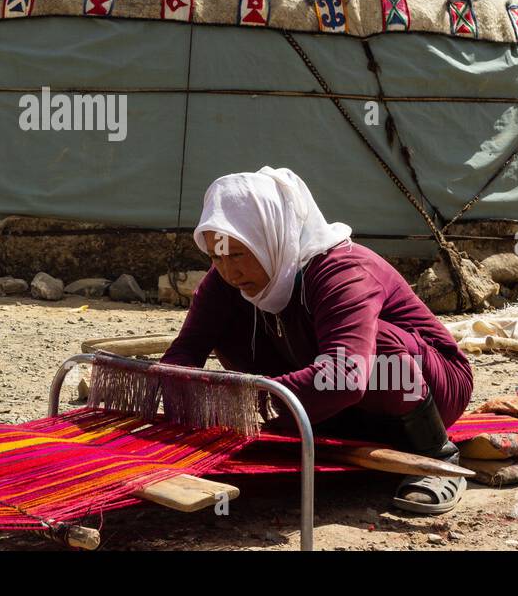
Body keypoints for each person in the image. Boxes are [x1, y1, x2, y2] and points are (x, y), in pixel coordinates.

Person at [161, 166, 474, 514]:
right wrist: (169, 397)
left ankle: (436, 452)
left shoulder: (342, 271)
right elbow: (186, 350)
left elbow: (344, 375)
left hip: (430, 387)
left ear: (271, 236)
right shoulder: (227, 279)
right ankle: (315, 423)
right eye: (215, 256)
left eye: (237, 254)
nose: (228, 271)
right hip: (344, 403)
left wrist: (248, 400)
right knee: (229, 326)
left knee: (377, 349)